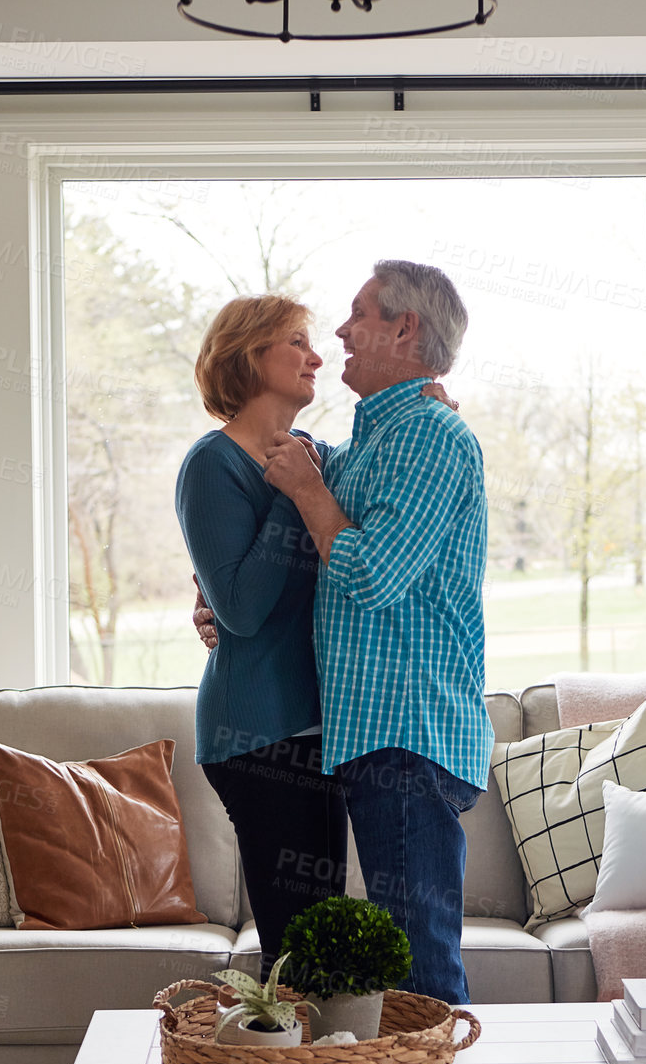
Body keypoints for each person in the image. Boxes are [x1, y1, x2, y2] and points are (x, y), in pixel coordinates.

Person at [175, 294, 456, 975]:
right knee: (296, 956)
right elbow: (239, 610)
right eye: (296, 342)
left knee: (319, 949)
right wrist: (288, 490)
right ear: (250, 355)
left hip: (319, 732)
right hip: (256, 736)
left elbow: (368, 522)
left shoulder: (318, 460)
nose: (317, 356)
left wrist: (439, 414)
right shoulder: (213, 465)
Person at [254, 260, 493, 1006]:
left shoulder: (429, 437)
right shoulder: (382, 441)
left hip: (407, 739)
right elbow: (334, 509)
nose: (339, 331)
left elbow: (366, 573)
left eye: (357, 314)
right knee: (406, 960)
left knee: (421, 971)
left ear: (404, 327)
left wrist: (307, 487)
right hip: (384, 738)